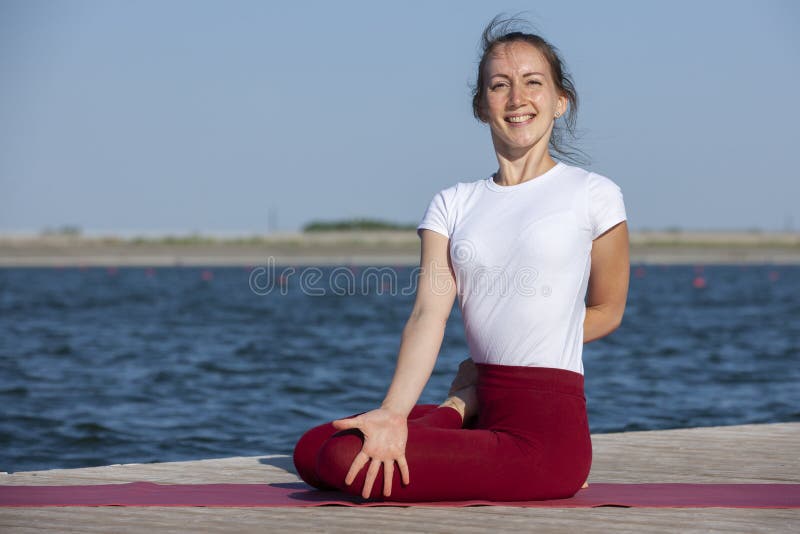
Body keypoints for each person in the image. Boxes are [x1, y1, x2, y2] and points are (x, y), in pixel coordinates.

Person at [293, 16, 629, 502]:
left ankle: (458, 407)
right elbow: (429, 314)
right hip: (486, 399)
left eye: (533, 83)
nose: (517, 98)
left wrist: (521, 345)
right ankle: (461, 405)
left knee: (341, 458)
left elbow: (608, 310)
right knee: (310, 448)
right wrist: (393, 411)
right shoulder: (452, 204)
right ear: (481, 105)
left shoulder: (594, 195)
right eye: (500, 85)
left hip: (545, 436)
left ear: (560, 101)